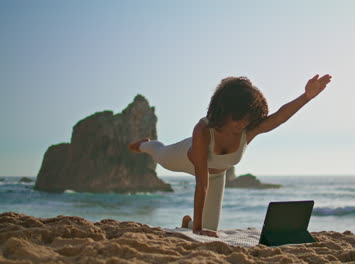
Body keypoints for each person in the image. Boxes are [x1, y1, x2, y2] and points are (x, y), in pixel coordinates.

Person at [128, 74, 332, 237]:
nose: (243, 123)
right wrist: (197, 229)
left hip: (217, 175)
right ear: (225, 109)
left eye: (248, 118)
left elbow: (279, 117)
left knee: (210, 229)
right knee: (161, 154)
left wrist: (306, 97)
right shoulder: (203, 130)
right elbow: (201, 182)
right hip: (185, 158)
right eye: (239, 117)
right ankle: (145, 145)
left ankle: (186, 223)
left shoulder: (248, 130)